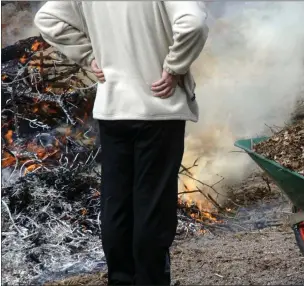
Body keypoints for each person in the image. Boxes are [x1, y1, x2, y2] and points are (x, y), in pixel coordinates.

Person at [34, 2, 208, 285]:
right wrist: (175, 67)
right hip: (158, 110)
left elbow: (48, 18)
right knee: (152, 204)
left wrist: (87, 55)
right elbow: (194, 23)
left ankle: (121, 279)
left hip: (113, 110)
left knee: (117, 203)